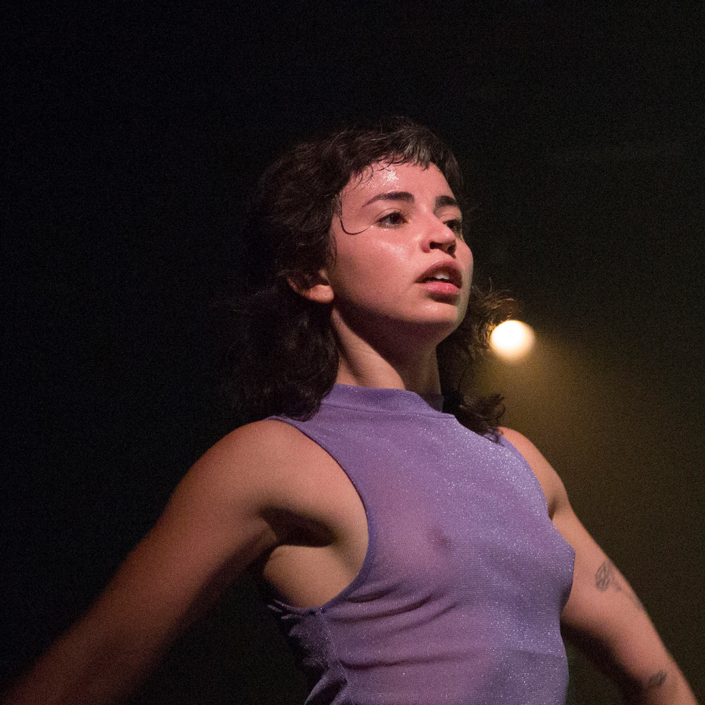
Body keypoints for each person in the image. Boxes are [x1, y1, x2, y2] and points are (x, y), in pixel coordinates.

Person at [2, 118, 697, 705]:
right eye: (393, 216)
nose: (440, 237)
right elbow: (92, 665)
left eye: (451, 220)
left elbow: (655, 676)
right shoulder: (274, 458)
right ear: (310, 272)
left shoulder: (519, 461)